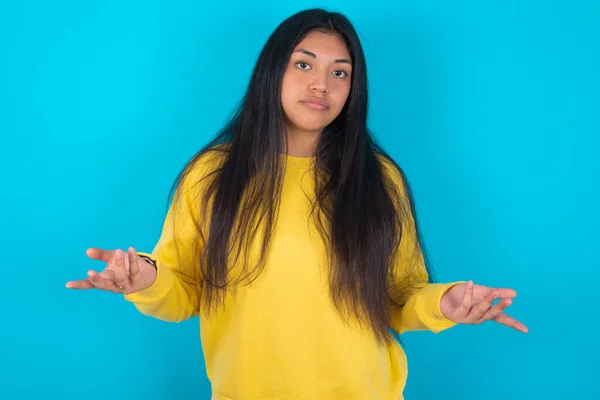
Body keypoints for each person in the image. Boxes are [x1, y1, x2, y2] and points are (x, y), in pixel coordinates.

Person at [66, 8, 528, 399]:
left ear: (353, 89)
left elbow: (397, 298)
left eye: (340, 72)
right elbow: (184, 288)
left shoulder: (379, 179)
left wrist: (446, 303)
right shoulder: (211, 175)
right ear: (272, 72)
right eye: (304, 64)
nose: (321, 84)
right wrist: (142, 277)